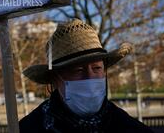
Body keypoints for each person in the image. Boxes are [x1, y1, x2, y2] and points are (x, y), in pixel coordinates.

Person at [19, 19, 152, 133]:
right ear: (55, 79)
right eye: (78, 70)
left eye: (97, 68)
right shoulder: (28, 128)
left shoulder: (129, 128)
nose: (90, 77)